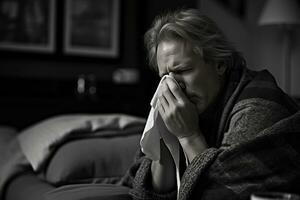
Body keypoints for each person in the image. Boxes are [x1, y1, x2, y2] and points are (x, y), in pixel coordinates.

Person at [119, 8, 300, 200]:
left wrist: (189, 135)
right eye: (164, 77)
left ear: (220, 64)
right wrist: (165, 139)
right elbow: (146, 193)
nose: (173, 86)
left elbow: (223, 193)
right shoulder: (192, 102)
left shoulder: (258, 109)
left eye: (183, 70)